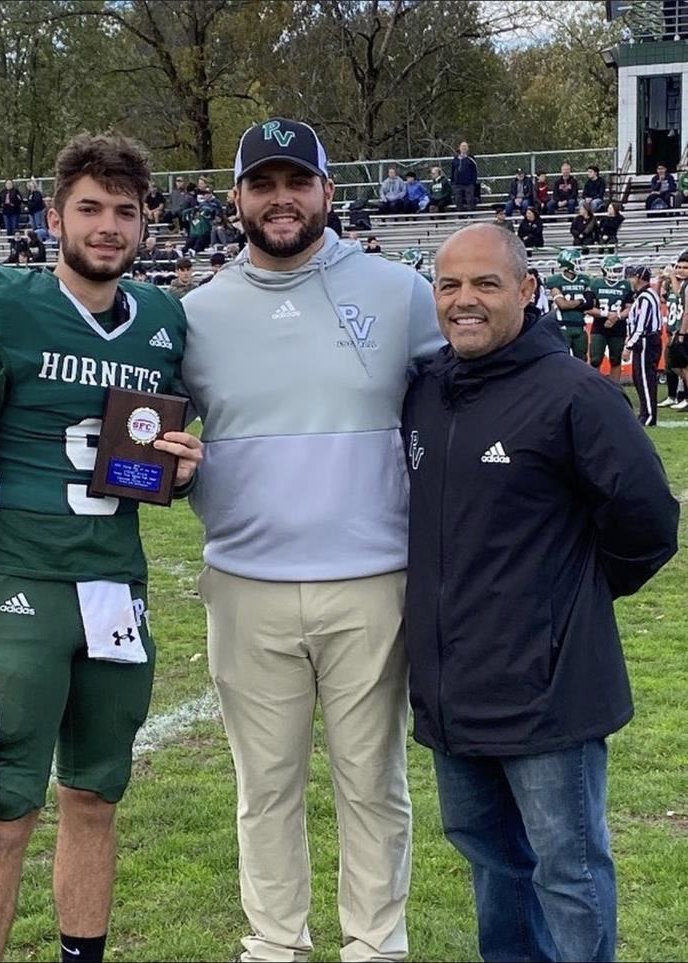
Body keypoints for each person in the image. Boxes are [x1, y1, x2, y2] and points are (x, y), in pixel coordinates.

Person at [0, 131, 202, 963]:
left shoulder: (161, 321)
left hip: (117, 586)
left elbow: (146, 468)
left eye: (124, 210)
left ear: (147, 223)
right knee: (7, 809)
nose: (108, 226)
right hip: (20, 587)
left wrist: (180, 472)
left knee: (97, 798)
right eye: (90, 208)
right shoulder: (0, 304)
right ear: (54, 216)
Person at [180, 117, 443, 963]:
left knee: (373, 782)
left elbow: (469, 397)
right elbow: (155, 439)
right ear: (237, 200)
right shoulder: (195, 313)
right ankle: (274, 943)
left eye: (298, 182)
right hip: (245, 583)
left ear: (330, 191)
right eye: (264, 183)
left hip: (374, 582)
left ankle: (375, 944)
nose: (281, 198)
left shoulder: (400, 291)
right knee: (265, 788)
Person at [402, 223, 679, 963]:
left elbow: (650, 521)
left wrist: (571, 604)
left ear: (526, 290)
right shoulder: (426, 391)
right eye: (450, 285)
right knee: (493, 862)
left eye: (486, 284)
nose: (465, 300)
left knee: (569, 871)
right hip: (452, 687)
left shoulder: (576, 394)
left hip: (549, 694)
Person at [626, 264, 664, 426]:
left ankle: (648, 415)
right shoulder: (646, 295)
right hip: (648, 340)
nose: (630, 280)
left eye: (633, 276)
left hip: (646, 341)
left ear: (639, 278)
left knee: (644, 378)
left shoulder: (645, 297)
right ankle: (645, 412)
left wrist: (629, 345)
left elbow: (641, 325)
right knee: (640, 377)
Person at [587, 255, 631, 384]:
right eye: (614, 269)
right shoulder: (596, 283)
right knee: (595, 359)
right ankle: (593, 386)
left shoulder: (626, 285)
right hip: (600, 326)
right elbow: (588, 308)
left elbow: (630, 307)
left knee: (616, 359)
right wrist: (607, 314)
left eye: (619, 269)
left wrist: (617, 317)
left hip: (619, 326)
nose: (618, 272)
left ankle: (614, 388)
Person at [546, 248, 592, 359]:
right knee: (562, 359)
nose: (579, 264)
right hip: (563, 326)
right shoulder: (555, 280)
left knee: (581, 360)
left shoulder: (584, 280)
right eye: (576, 262)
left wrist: (573, 303)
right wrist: (580, 301)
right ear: (567, 263)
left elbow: (590, 303)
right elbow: (563, 305)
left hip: (580, 325)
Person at [659, 252, 688, 409]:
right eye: (678, 267)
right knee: (673, 364)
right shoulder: (678, 284)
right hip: (675, 328)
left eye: (684, 267)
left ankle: (684, 396)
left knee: (681, 365)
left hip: (682, 330)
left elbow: (686, 311)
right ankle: (675, 395)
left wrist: (681, 332)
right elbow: (668, 296)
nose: (680, 270)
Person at [450, 141, 478, 212]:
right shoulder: (455, 159)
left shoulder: (471, 159)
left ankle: (470, 215)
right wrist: (453, 182)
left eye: (465, 146)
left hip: (468, 184)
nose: (464, 148)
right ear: (459, 148)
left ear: (468, 148)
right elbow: (452, 171)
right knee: (458, 200)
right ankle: (460, 215)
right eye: (462, 146)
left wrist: (473, 182)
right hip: (457, 184)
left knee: (470, 200)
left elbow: (475, 171)